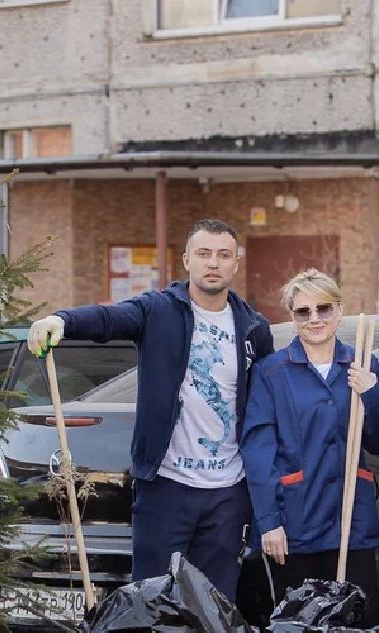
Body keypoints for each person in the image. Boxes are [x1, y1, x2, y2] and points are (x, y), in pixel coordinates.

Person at [28, 219, 275, 600]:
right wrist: (62, 320)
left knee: (216, 605)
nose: (214, 263)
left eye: (224, 255)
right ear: (187, 261)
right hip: (166, 485)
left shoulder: (253, 328)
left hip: (227, 492)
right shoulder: (158, 311)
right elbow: (110, 318)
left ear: (235, 265)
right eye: (204, 254)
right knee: (152, 600)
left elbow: (265, 404)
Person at [242, 269, 379, 623]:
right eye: (303, 311)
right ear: (292, 316)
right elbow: (258, 452)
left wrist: (372, 393)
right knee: (300, 631)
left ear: (339, 310)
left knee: (356, 627)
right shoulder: (271, 373)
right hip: (296, 522)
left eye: (323, 309)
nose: (314, 319)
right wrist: (268, 522)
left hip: (350, 520)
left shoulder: (362, 363)